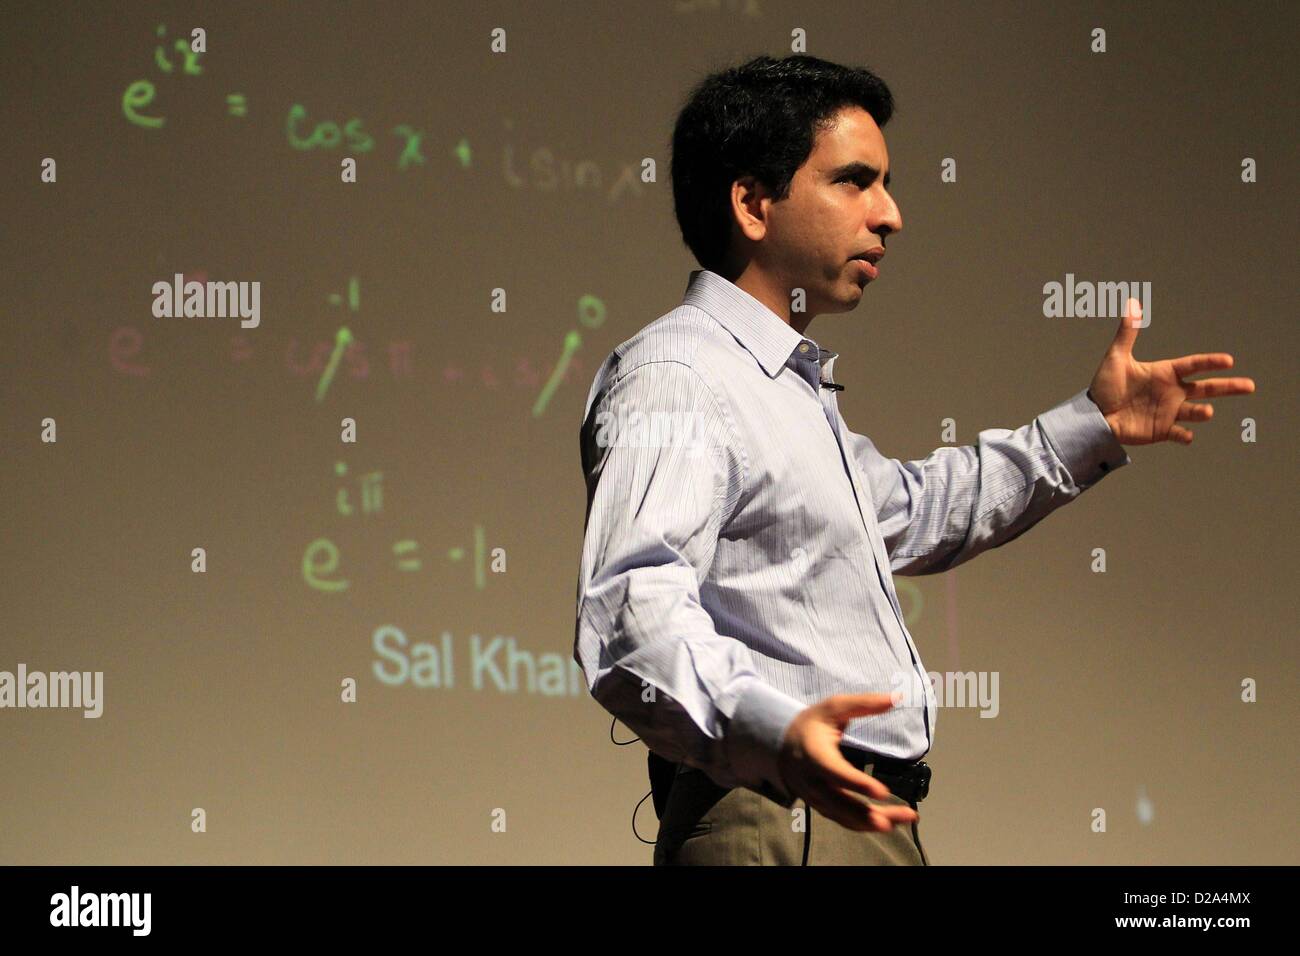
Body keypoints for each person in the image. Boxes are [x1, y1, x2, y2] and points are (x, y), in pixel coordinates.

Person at [572, 54, 1255, 865]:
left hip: (849, 815)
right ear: (753, 204)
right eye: (855, 181)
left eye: (885, 184)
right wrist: (774, 732)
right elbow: (630, 610)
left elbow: (917, 509)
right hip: (779, 819)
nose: (890, 214)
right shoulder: (682, 374)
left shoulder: (780, 389)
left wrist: (1095, 423)